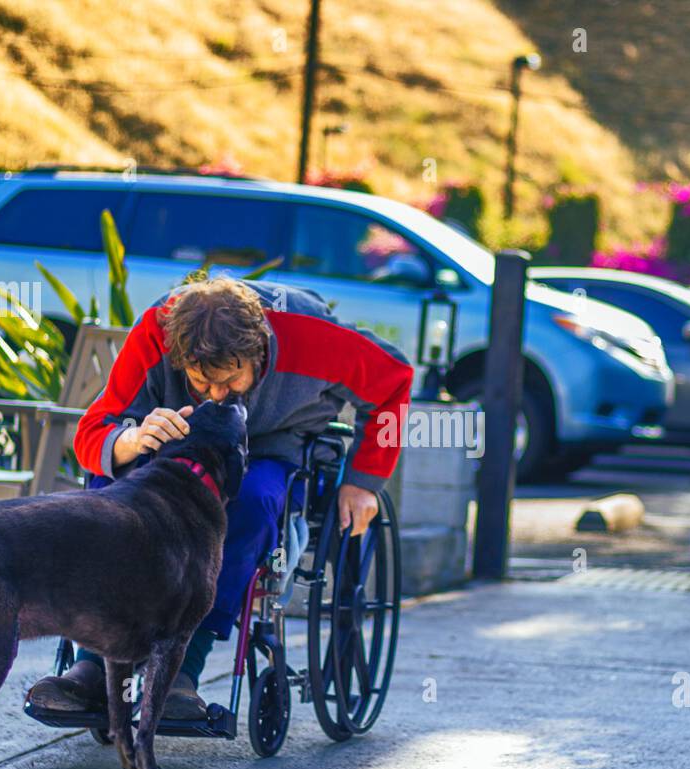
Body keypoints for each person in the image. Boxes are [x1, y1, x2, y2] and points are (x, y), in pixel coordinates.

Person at [25, 277, 413, 718]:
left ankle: (182, 671)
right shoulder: (157, 330)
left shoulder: (314, 338)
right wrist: (129, 440)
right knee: (109, 493)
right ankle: (93, 662)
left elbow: (394, 380)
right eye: (200, 383)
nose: (217, 395)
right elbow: (93, 432)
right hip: (175, 446)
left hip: (269, 445)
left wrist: (364, 481)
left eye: (230, 380)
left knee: (252, 503)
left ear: (259, 349)